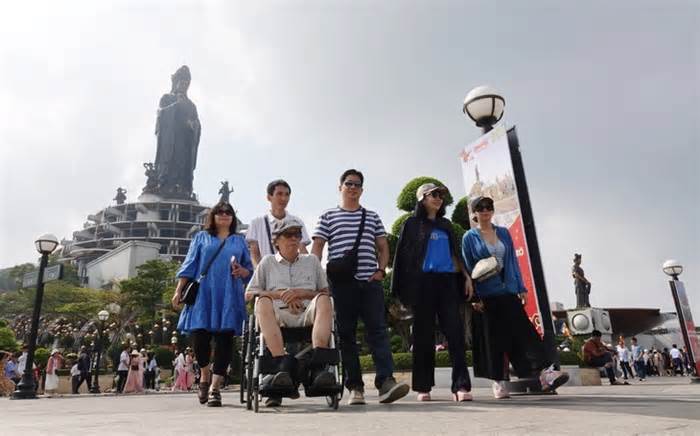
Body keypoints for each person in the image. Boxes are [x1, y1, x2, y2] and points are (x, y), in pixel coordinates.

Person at [312, 169, 409, 406]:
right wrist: (318, 281)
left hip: (370, 284)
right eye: (348, 183)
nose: (353, 188)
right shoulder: (327, 216)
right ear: (340, 187)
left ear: (362, 190)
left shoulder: (372, 216)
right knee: (346, 335)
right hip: (341, 286)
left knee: (378, 332)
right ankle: (354, 386)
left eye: (357, 184)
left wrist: (380, 271)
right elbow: (317, 249)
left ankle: (386, 382)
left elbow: (383, 246)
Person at [462, 196, 568, 399]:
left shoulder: (503, 232)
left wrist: (521, 287)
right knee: (494, 339)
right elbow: (468, 269)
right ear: (474, 213)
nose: (485, 210)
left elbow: (512, 261)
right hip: (486, 294)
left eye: (489, 207)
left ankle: (545, 374)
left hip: (508, 290)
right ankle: (498, 382)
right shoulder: (469, 237)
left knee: (525, 333)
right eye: (480, 208)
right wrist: (474, 297)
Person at [391, 183, 472, 402]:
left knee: (455, 334)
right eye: (433, 194)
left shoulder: (446, 225)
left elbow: (455, 254)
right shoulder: (411, 224)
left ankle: (461, 385)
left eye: (441, 195)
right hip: (422, 284)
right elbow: (404, 257)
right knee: (423, 336)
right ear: (422, 199)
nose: (438, 198)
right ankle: (423, 387)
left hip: (447, 282)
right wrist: (401, 289)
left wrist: (466, 276)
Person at [246, 216, 336, 407]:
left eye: (297, 234)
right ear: (276, 240)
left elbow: (325, 291)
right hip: (278, 314)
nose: (294, 238)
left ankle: (318, 367)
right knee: (262, 301)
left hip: (308, 312)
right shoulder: (267, 262)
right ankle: (281, 366)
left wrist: (301, 293)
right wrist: (280, 294)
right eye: (289, 234)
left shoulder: (311, 261)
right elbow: (249, 294)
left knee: (325, 299)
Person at [171, 201, 252, 407]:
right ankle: (205, 376)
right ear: (213, 216)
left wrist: (242, 271)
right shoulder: (201, 237)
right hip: (204, 294)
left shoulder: (239, 241)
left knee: (225, 341)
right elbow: (190, 265)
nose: (224, 215)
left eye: (228, 212)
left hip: (229, 294)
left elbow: (249, 270)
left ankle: (215, 388)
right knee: (200, 338)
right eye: (220, 212)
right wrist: (179, 290)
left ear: (233, 217)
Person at [246, 179, 311, 267]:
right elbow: (254, 254)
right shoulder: (257, 223)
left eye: (287, 195)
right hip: (267, 271)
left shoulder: (297, 222)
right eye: (279, 194)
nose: (283, 198)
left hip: (292, 271)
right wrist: (260, 271)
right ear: (269, 197)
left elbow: (302, 249)